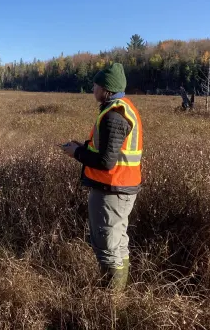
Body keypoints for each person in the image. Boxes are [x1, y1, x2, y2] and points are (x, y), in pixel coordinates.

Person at [61, 63, 143, 291]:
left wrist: (76, 153)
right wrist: (83, 147)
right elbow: (105, 151)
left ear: (106, 88)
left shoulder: (114, 116)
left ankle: (111, 302)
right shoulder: (120, 108)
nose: (93, 89)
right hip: (120, 188)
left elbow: (106, 162)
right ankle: (117, 294)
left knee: (107, 245)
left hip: (112, 191)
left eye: (96, 85)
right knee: (118, 242)